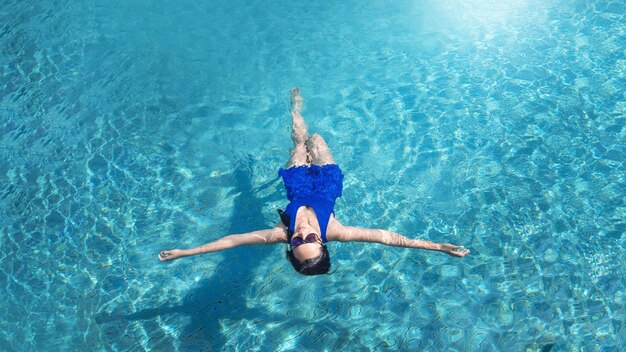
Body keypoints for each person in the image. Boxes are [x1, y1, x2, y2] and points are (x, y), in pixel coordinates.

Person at [158, 88, 470, 275]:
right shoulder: (336, 231)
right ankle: (305, 123)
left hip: (297, 185)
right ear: (322, 243)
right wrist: (437, 246)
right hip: (327, 185)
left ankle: (295, 109)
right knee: (318, 141)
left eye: (297, 243)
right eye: (310, 242)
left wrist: (186, 252)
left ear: (289, 247)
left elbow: (231, 241)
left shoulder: (280, 233)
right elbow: (388, 238)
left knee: (299, 140)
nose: (303, 236)